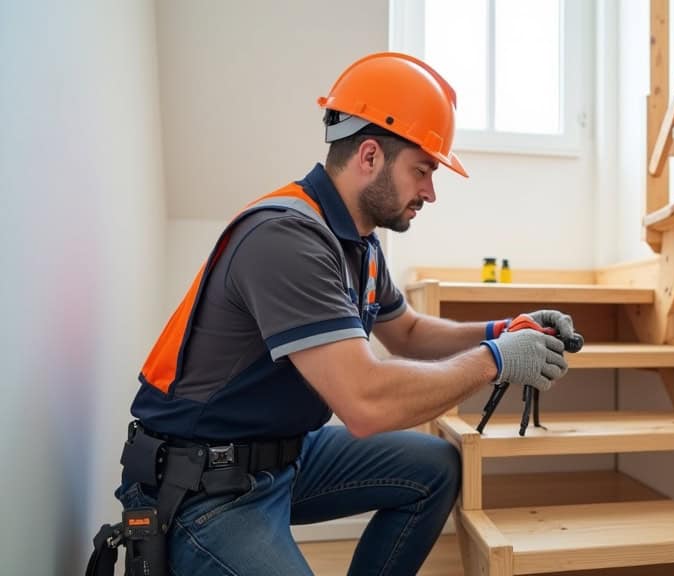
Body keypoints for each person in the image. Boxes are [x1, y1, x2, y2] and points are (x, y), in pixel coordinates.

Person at [99, 52, 576, 576]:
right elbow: (366, 403)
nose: (431, 192)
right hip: (206, 484)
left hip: (284, 455)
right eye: (423, 170)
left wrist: (503, 330)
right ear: (369, 156)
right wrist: (494, 360)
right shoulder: (287, 238)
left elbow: (410, 332)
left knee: (435, 467)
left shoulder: (361, 244)